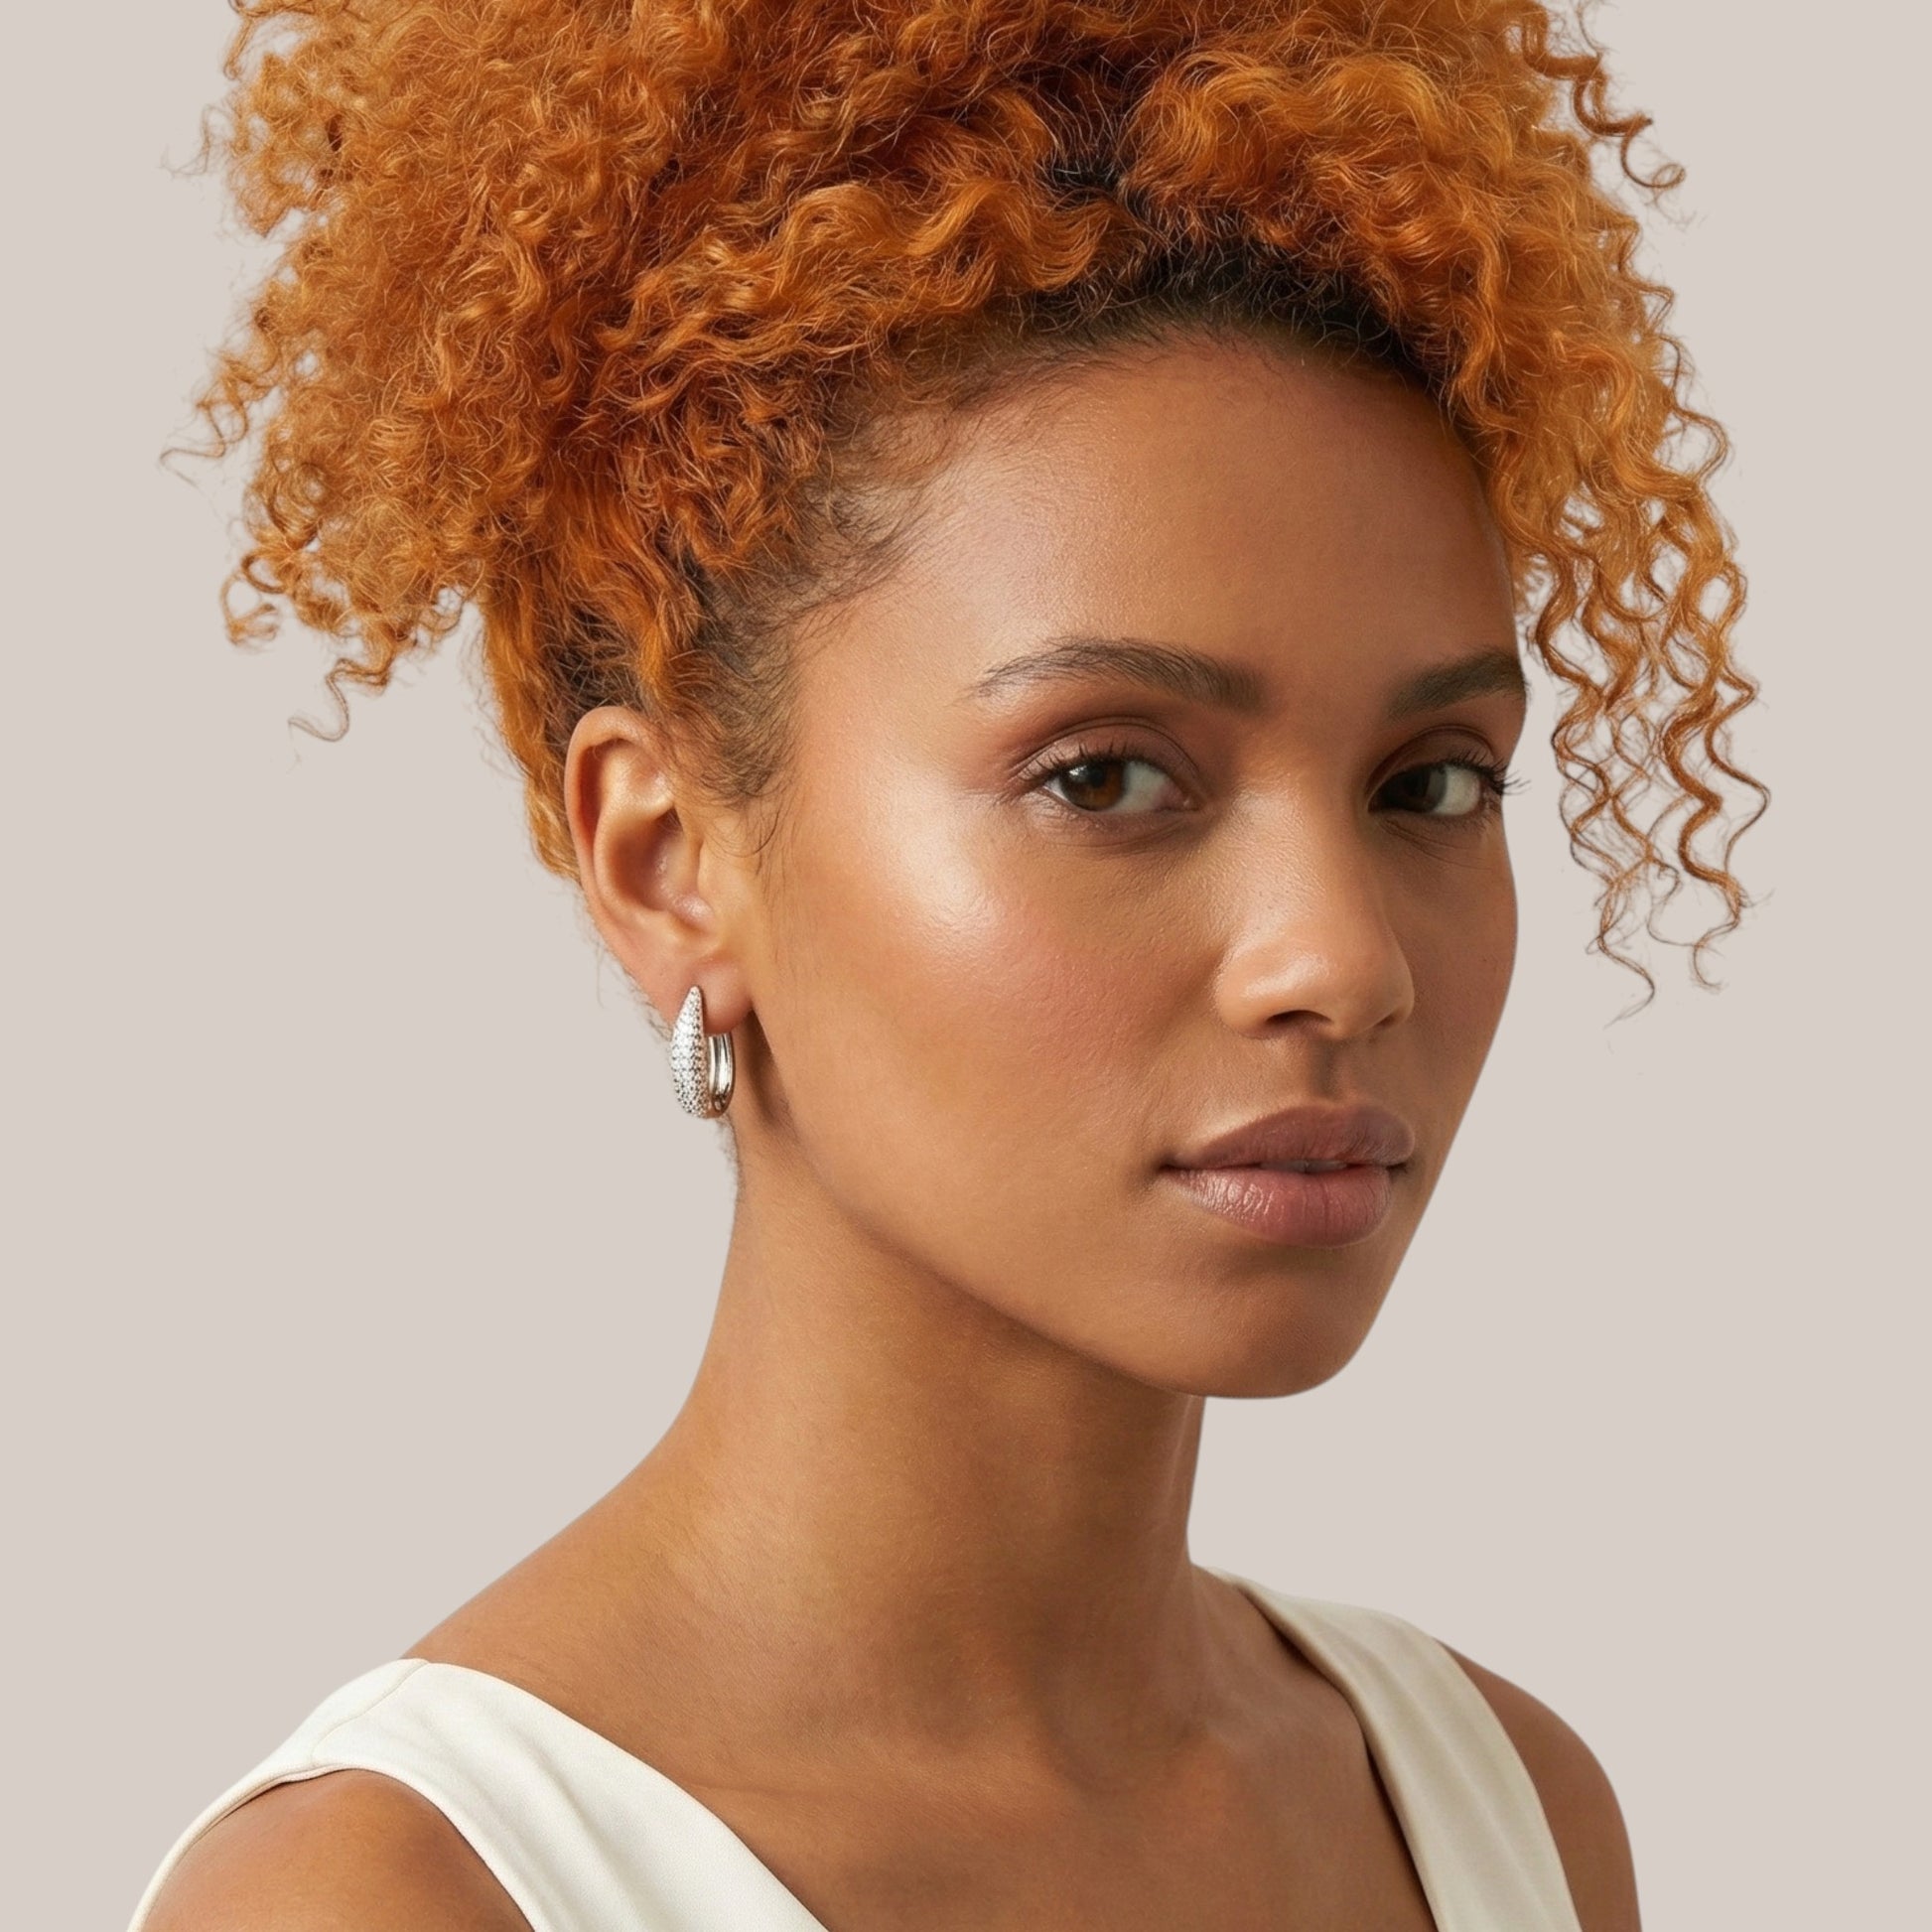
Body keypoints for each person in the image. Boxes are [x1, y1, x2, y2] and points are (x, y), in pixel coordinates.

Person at [129, 1, 1761, 1927]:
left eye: (1429, 780)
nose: (1341, 957)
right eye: (1107, 774)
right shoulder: (403, 1898)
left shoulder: (1501, 1810)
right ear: (667, 859)